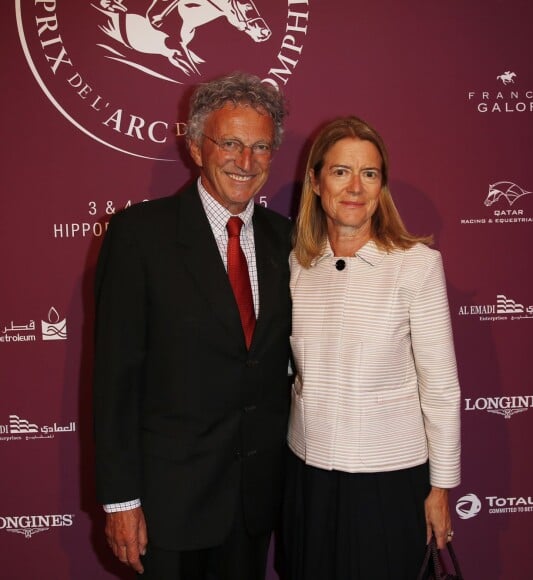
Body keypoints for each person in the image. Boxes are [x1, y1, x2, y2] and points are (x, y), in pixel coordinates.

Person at [93, 72, 292, 579]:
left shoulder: (287, 240)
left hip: (256, 504)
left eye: (260, 147)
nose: (245, 162)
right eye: (230, 143)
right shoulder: (140, 236)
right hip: (169, 505)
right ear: (197, 147)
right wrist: (120, 501)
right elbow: (116, 381)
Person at [283, 116, 461, 579]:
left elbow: (440, 388)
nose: (355, 187)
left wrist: (440, 488)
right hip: (309, 476)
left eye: (370, 173)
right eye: (341, 171)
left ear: (382, 186)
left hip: (389, 482)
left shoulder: (415, 266)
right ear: (317, 181)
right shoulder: (297, 267)